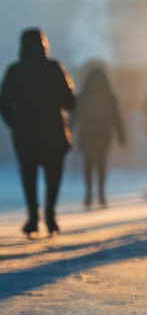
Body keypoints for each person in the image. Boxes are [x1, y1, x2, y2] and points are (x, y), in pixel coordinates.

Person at [0, 28, 75, 237]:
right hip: (52, 132)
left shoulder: (15, 71)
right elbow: (70, 102)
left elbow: (4, 103)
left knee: (29, 175)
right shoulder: (54, 68)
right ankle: (50, 215)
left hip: (26, 134)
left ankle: (33, 217)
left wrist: (14, 124)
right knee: (53, 175)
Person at [72, 65, 126, 208]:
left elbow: (75, 115)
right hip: (103, 134)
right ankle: (101, 194)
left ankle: (89, 194)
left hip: (87, 134)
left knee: (88, 164)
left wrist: (68, 131)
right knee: (101, 163)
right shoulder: (109, 96)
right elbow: (116, 117)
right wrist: (121, 136)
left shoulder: (83, 95)